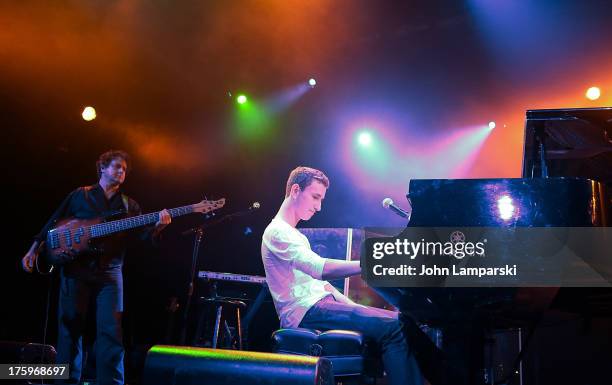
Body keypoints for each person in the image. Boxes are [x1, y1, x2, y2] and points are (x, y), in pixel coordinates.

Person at [261, 166, 424, 385]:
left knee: (398, 321)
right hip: (305, 312)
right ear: (295, 190)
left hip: (317, 306)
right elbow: (320, 269)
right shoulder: (277, 232)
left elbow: (324, 287)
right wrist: (371, 262)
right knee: (395, 327)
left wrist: (360, 309)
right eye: (315, 197)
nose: (319, 207)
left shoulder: (293, 234)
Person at [22, 150, 171, 385]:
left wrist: (158, 228)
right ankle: (66, 381)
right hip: (76, 268)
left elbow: (143, 237)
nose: (121, 171)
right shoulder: (79, 195)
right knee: (70, 329)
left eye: (124, 169)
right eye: (116, 167)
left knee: (111, 332)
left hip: (110, 271)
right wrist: (34, 249)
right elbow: (53, 221)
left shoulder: (129, 205)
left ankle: (111, 382)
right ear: (102, 168)